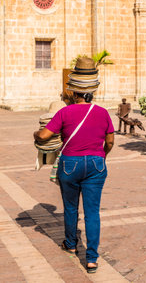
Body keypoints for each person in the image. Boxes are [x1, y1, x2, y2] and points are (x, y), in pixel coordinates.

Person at [33, 57, 114, 273]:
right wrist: (102, 156)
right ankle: (91, 259)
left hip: (70, 164)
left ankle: (70, 244)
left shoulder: (64, 112)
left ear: (73, 92)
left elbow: (43, 136)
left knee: (70, 208)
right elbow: (110, 141)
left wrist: (35, 133)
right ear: (92, 91)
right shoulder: (103, 113)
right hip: (96, 164)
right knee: (92, 212)